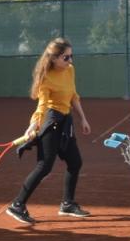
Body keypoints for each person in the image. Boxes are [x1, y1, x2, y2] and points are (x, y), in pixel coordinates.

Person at [6, 38, 93, 226]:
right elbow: (42, 106)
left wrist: (83, 118)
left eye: (71, 56)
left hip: (66, 121)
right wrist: (33, 125)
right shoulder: (46, 78)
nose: (70, 60)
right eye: (65, 57)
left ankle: (67, 204)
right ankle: (17, 205)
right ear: (53, 58)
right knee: (44, 166)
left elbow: (73, 96)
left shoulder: (70, 70)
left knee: (75, 162)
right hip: (51, 121)